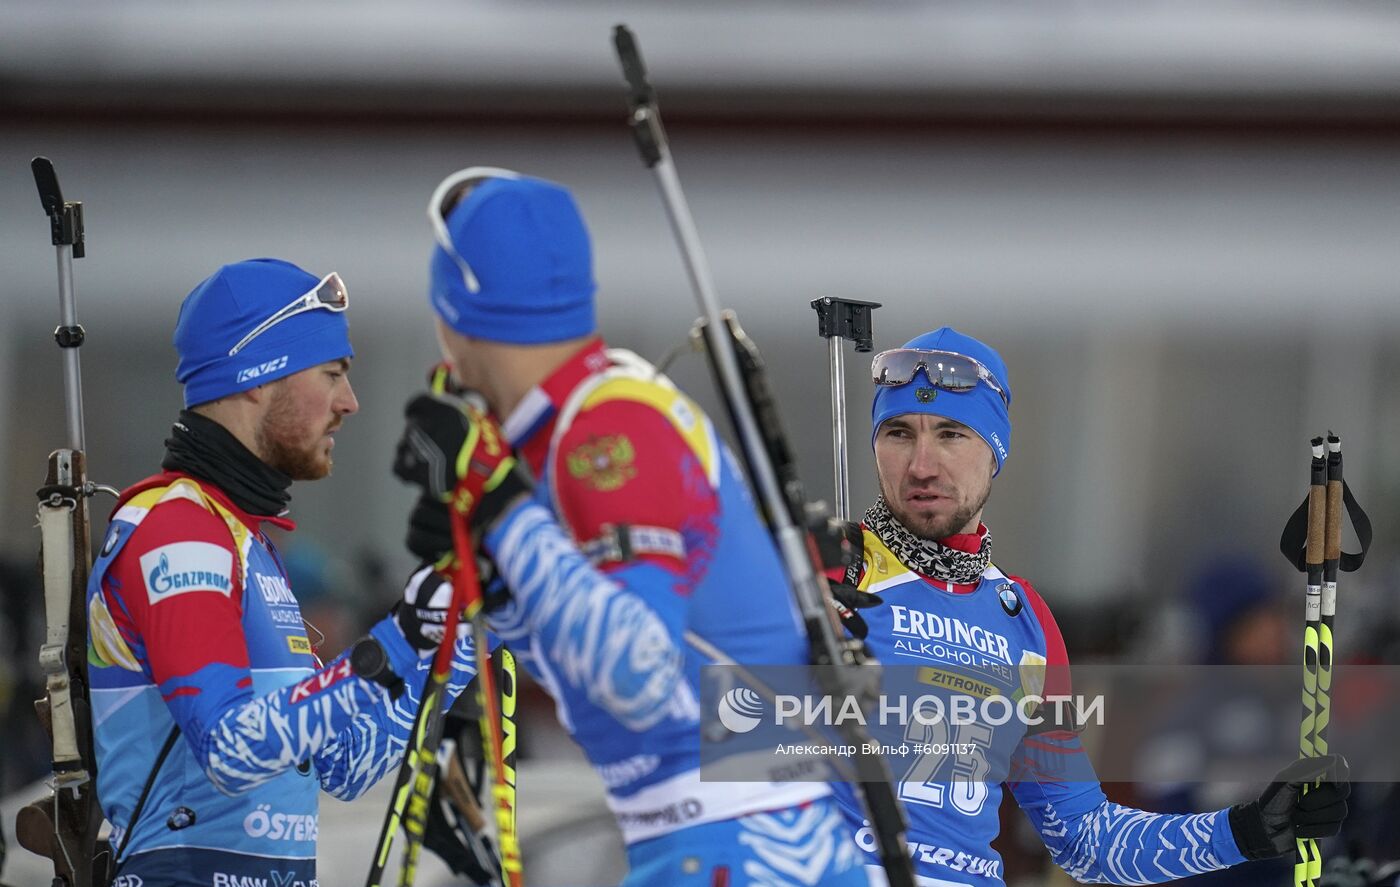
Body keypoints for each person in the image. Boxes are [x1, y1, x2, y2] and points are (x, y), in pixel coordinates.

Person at [390, 167, 865, 885]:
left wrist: (501, 509)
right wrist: (508, 588)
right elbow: (609, 675)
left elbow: (636, 672)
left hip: (741, 839)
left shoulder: (605, 427)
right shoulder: (574, 422)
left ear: (451, 314)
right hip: (712, 832)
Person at [829, 326, 1351, 885]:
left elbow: (1084, 838)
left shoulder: (1023, 621)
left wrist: (1245, 833)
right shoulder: (823, 581)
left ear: (995, 450)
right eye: (899, 433)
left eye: (952, 434)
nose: (922, 465)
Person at [87, 258, 479, 886]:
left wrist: (457, 636)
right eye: (332, 374)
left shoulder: (243, 539)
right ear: (255, 378)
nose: (349, 402)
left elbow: (347, 765)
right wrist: (395, 644)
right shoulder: (178, 527)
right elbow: (230, 748)